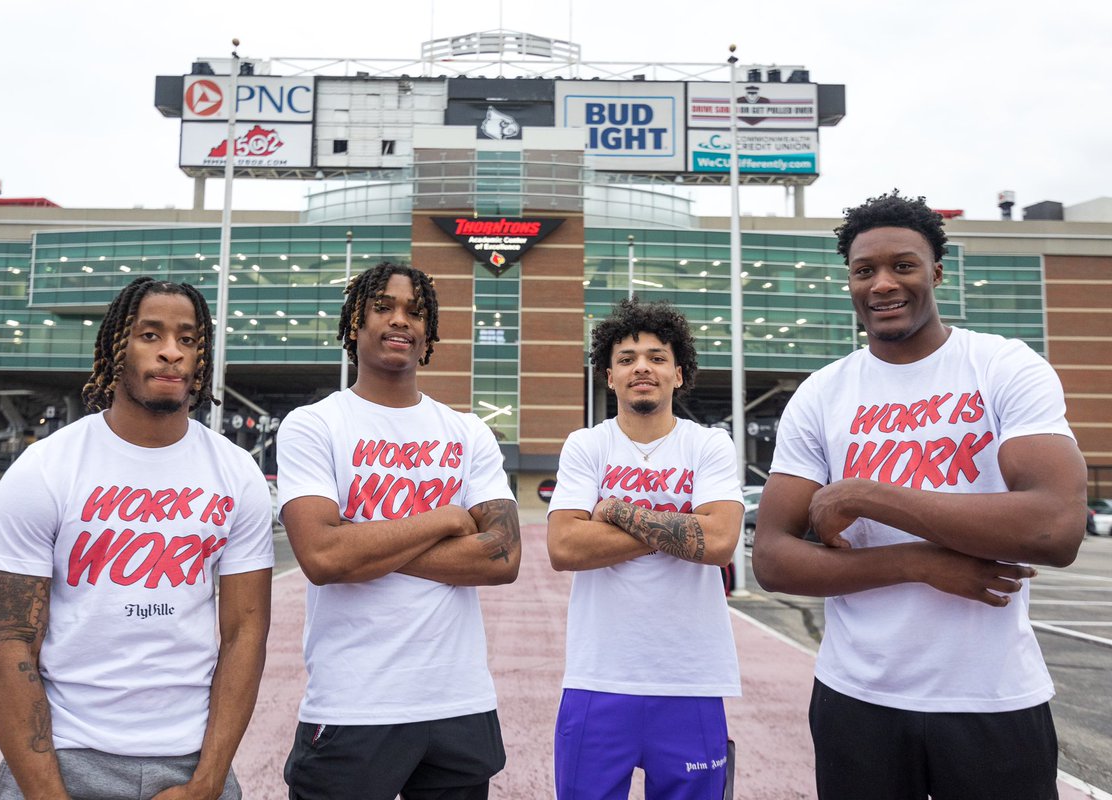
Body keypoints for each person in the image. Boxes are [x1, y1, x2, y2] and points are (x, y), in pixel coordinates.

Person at [753, 191, 1088, 800]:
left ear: (936, 269)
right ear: (849, 281)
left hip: (991, 698)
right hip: (857, 699)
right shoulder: (822, 393)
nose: (883, 284)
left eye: (902, 265)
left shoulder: (1004, 367)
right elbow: (772, 560)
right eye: (864, 270)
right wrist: (917, 565)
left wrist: (867, 495)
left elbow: (1056, 527)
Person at [0, 277, 275, 799]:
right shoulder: (46, 469)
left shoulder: (236, 473)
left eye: (188, 339)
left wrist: (206, 783)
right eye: (150, 334)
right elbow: (7, 641)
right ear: (117, 346)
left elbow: (245, 636)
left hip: (190, 758)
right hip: (65, 755)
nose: (170, 352)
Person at [277, 262, 521, 800]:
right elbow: (321, 558)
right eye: (383, 306)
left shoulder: (467, 431)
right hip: (353, 703)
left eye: (415, 311)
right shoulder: (315, 425)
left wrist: (359, 541)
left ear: (429, 332)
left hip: (459, 703)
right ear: (354, 324)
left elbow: (502, 557)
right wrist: (444, 520)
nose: (400, 320)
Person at [547, 297, 744, 800]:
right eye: (627, 358)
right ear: (608, 376)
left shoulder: (709, 445)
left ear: (679, 374)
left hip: (691, 681)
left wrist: (615, 511)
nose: (642, 367)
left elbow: (719, 541)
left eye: (657, 358)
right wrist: (681, 530)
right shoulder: (586, 445)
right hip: (598, 677)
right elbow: (566, 545)